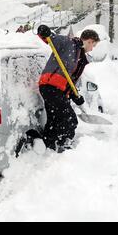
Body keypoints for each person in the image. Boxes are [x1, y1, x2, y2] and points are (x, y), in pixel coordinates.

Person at [25, 25, 100, 153]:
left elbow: (70, 80)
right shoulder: (69, 43)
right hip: (50, 86)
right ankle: (63, 145)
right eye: (93, 45)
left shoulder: (80, 56)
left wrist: (75, 96)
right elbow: (50, 38)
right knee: (69, 119)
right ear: (89, 41)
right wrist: (44, 31)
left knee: (55, 119)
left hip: (58, 89)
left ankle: (47, 144)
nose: (92, 48)